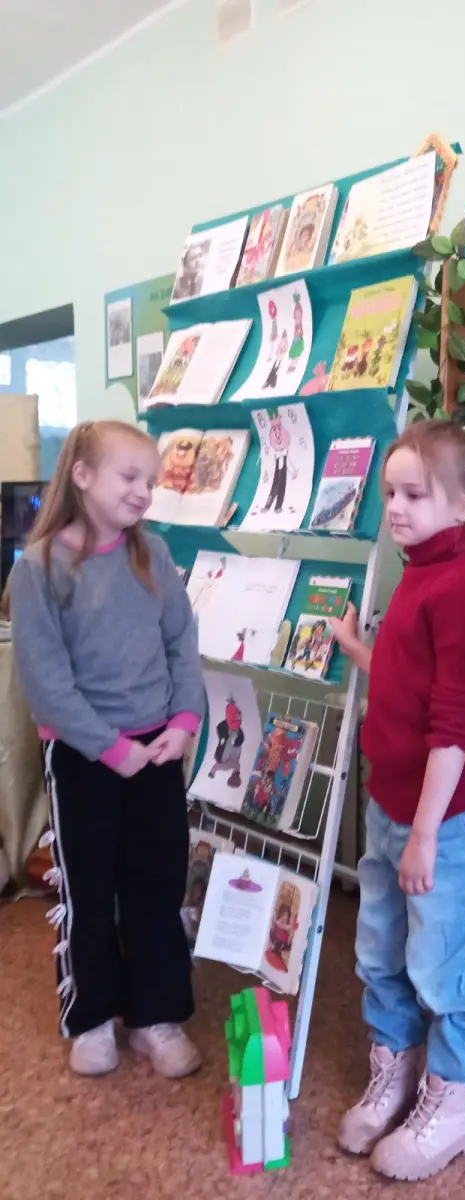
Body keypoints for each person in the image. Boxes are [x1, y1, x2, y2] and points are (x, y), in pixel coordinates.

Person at [329, 419, 465, 1182]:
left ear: (464, 504)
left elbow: (455, 722)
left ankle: (455, 1100)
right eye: (390, 493)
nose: (396, 508)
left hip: (449, 823)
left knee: (449, 968)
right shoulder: (418, 572)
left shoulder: (461, 589)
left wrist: (426, 835)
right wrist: (361, 653)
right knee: (380, 951)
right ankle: (397, 1069)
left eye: (414, 494)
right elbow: (414, 683)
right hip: (392, 806)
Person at [9, 420, 205, 1081]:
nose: (144, 491)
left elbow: (181, 644)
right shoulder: (40, 568)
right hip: (83, 755)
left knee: (156, 883)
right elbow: (46, 684)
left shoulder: (154, 554)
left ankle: (156, 1015)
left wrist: (184, 721)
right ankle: (91, 1015)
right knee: (89, 888)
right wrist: (110, 748)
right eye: (130, 476)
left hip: (158, 750)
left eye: (151, 481)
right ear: (83, 475)